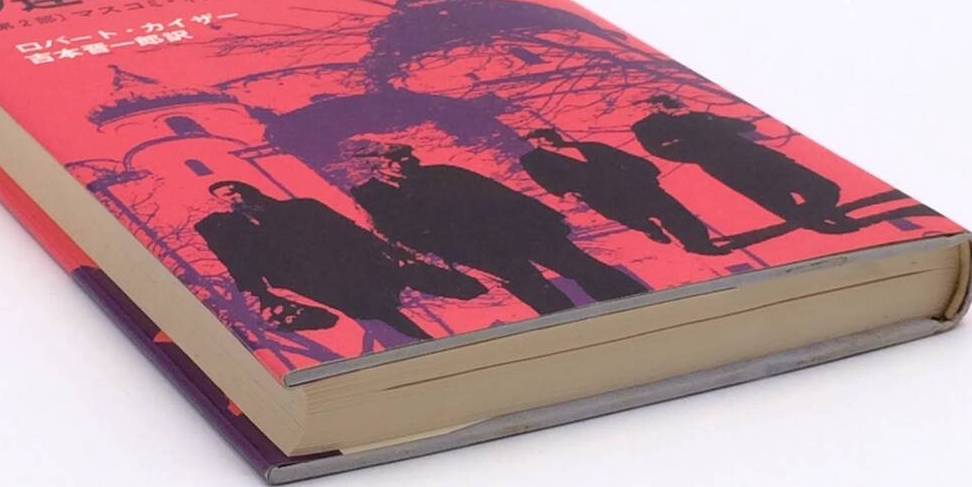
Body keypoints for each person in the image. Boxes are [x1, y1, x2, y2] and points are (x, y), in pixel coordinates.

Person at [350, 145, 645, 316]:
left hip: (521, 231)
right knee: (533, 289)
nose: (408, 160)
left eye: (407, 154)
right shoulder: (371, 196)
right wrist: (454, 262)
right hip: (476, 251)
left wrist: (548, 220)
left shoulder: (443, 172)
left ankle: (636, 305)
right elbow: (395, 234)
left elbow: (502, 195)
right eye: (396, 158)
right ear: (376, 166)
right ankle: (573, 329)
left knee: (583, 267)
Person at [196, 181, 483, 341]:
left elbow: (347, 229)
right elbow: (241, 264)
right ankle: (419, 344)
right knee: (370, 320)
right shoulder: (231, 231)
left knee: (397, 305)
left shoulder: (301, 207)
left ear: (251, 189)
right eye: (227, 195)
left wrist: (389, 252)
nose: (235, 196)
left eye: (237, 190)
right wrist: (258, 292)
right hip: (309, 283)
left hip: (353, 266)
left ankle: (451, 334)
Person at [631, 95, 855, 232]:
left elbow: (745, 126)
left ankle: (822, 213)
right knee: (779, 202)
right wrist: (701, 150)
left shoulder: (695, 117)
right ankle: (819, 220)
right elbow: (663, 150)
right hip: (728, 167)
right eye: (664, 103)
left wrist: (707, 121)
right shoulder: (647, 128)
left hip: (757, 156)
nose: (673, 104)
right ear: (653, 107)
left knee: (824, 188)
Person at [520, 128, 726, 254]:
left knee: (672, 211)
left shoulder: (590, 146)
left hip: (632, 185)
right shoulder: (535, 160)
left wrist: (648, 172)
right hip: (600, 195)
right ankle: (649, 229)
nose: (549, 138)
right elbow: (545, 179)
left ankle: (699, 244)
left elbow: (625, 158)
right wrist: (565, 193)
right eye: (541, 137)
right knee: (631, 218)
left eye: (549, 133)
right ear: (535, 141)